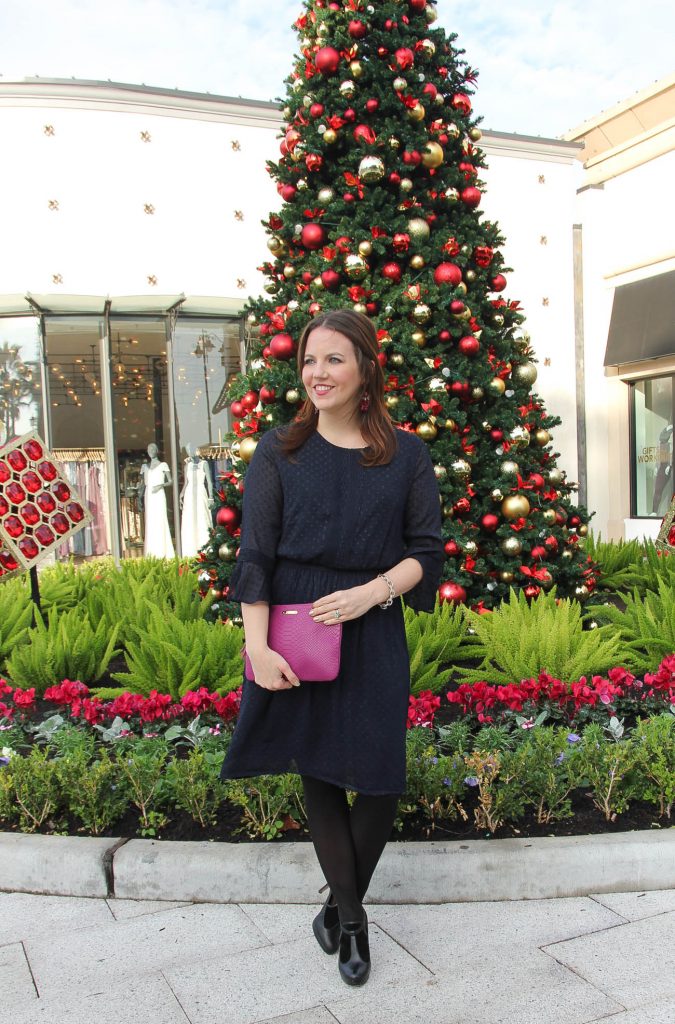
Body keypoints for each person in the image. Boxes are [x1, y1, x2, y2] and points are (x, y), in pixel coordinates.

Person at [220, 310, 443, 986]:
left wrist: (371, 593)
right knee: (317, 769)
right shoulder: (278, 451)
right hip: (295, 627)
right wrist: (257, 647)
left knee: (378, 778)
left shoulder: (405, 454)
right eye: (310, 360)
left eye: (334, 360)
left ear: (365, 369)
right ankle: (351, 921)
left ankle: (338, 903)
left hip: (371, 624)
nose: (317, 373)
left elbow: (425, 555)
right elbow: (254, 556)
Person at [140, 442, 174, 558]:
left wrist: (160, 485)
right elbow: (144, 483)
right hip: (149, 495)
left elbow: (171, 481)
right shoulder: (145, 466)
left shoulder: (163, 465)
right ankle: (151, 551)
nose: (150, 451)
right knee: (150, 521)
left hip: (159, 494)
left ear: (156, 450)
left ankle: (162, 550)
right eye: (148, 449)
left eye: (152, 449)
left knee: (160, 519)